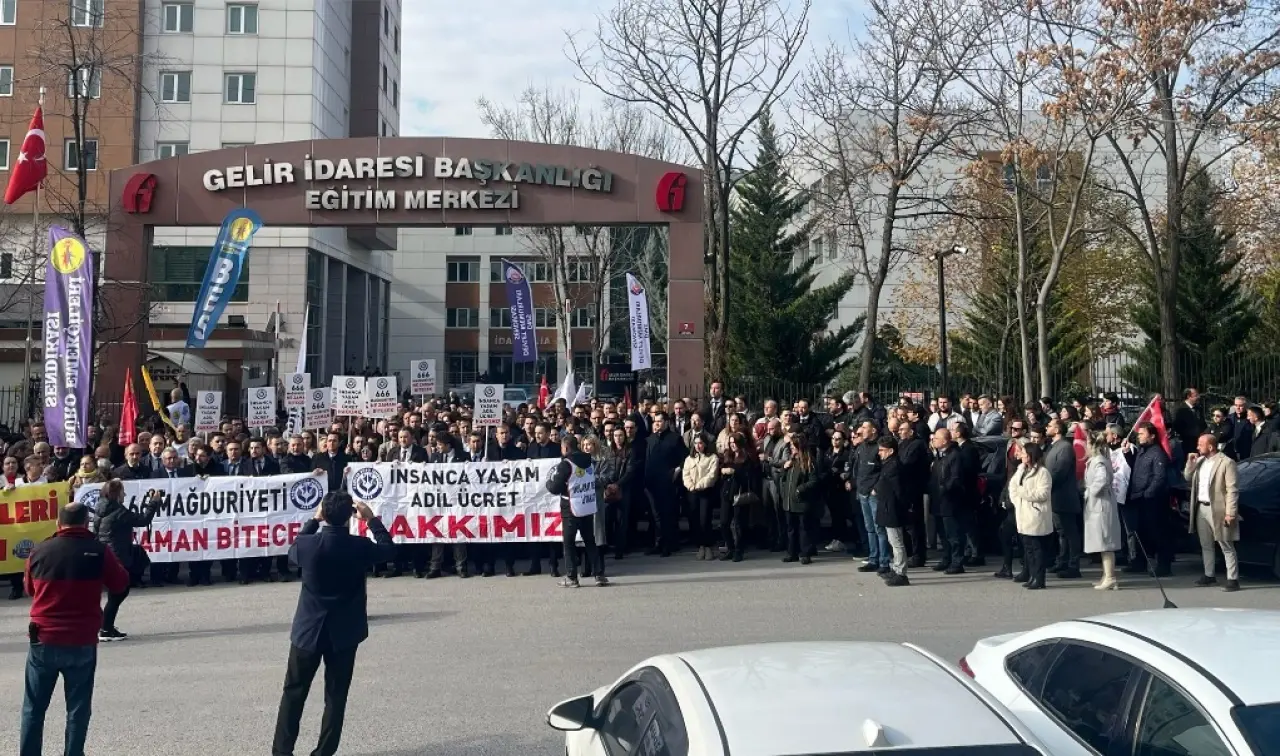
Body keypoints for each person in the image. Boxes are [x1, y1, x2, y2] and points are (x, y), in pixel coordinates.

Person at [272, 491, 396, 756]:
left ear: (324, 514)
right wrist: (371, 520)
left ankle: (282, 752)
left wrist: (314, 520)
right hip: (344, 631)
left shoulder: (308, 545)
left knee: (293, 692)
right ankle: (323, 752)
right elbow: (389, 549)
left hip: (308, 630)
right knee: (335, 697)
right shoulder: (360, 546)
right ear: (350, 516)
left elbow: (293, 551)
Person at [21, 502, 130, 756]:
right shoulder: (99, 551)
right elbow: (120, 583)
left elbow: (29, 588)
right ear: (86, 523)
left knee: (33, 708)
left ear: (58, 523)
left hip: (44, 637)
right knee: (78, 709)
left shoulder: (39, 551)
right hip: (81, 638)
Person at [94, 481, 165, 640]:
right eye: (122, 492)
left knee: (116, 591)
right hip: (118, 554)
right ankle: (105, 628)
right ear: (116, 494)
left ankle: (106, 625)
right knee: (119, 591)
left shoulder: (100, 509)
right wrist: (153, 502)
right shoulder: (119, 511)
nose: (124, 495)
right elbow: (143, 520)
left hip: (106, 553)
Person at [546, 434, 608, 588]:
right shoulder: (589, 460)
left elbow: (555, 488)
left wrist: (548, 482)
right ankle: (599, 574)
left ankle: (572, 577)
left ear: (566, 447)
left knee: (568, 543)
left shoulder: (566, 464)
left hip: (571, 508)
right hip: (587, 505)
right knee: (590, 541)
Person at [1184, 433, 1241, 592]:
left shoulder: (1226, 462)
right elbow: (1187, 477)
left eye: (1200, 444)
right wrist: (1190, 463)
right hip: (1201, 507)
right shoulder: (1200, 461)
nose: (1197, 447)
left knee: (1225, 543)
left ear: (1210, 447)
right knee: (1206, 543)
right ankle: (1209, 575)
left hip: (1219, 508)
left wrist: (1230, 512)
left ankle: (1232, 578)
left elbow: (1232, 489)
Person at [1007, 442, 1053, 590]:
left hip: (1036, 515)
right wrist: (1017, 501)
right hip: (1023, 513)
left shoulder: (1043, 472)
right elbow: (1013, 487)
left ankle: (1039, 579)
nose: (1021, 455)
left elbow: (1043, 494)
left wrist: (1022, 493)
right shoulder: (1021, 470)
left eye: (1024, 453)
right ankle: (1032, 576)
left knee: (1037, 549)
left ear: (1031, 455)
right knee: (1028, 549)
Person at [1083, 432, 1122, 591]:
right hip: (1099, 504)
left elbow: (1102, 480)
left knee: (1105, 542)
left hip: (1101, 504)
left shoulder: (1099, 461)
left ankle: (1110, 577)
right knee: (1102, 541)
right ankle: (1106, 575)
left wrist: (1090, 491)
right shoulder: (1098, 460)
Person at [781, 433, 823, 564]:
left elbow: (814, 481)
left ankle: (805, 553)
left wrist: (800, 489)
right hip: (789, 501)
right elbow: (783, 478)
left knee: (804, 528)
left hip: (801, 501)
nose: (792, 449)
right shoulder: (791, 460)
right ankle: (792, 552)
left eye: (794, 446)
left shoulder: (809, 461)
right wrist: (784, 468)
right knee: (791, 528)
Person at [874, 436, 910, 586]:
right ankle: (895, 568)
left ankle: (901, 572)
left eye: (882, 450)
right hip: (887, 506)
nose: (879, 453)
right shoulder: (888, 464)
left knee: (897, 542)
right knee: (892, 540)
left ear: (890, 451)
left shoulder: (894, 466)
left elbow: (898, 490)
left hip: (893, 508)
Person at [682, 434, 719, 560]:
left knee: (705, 519)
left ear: (705, 444)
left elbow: (712, 476)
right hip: (692, 492)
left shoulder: (712, 458)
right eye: (696, 443)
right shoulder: (689, 459)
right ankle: (700, 546)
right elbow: (685, 474)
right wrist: (691, 486)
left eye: (700, 443)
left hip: (705, 492)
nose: (698, 446)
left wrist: (699, 485)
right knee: (695, 520)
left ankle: (708, 546)